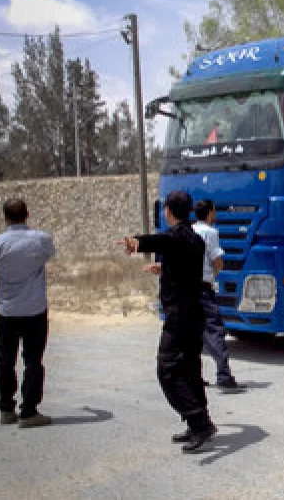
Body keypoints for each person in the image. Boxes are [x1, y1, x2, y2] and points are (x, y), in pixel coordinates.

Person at [118, 190, 217, 454]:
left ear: (169, 212)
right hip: (193, 313)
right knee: (190, 369)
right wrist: (162, 268)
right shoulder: (194, 239)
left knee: (167, 369)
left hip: (180, 316)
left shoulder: (178, 237)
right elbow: (183, 263)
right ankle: (201, 421)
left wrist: (137, 242)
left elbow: (162, 240)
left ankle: (198, 422)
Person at [0, 199, 55, 428]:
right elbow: (48, 255)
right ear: (28, 214)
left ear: (5, 218)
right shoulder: (42, 240)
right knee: (33, 360)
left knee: (6, 360)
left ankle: (6, 408)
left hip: (8, 310)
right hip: (35, 308)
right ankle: (29, 411)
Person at [191, 200, 244, 391]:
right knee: (214, 329)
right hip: (203, 288)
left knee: (194, 333)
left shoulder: (190, 230)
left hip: (188, 287)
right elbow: (217, 260)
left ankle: (194, 376)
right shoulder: (210, 233)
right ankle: (224, 375)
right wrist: (214, 275)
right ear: (210, 213)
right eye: (214, 211)